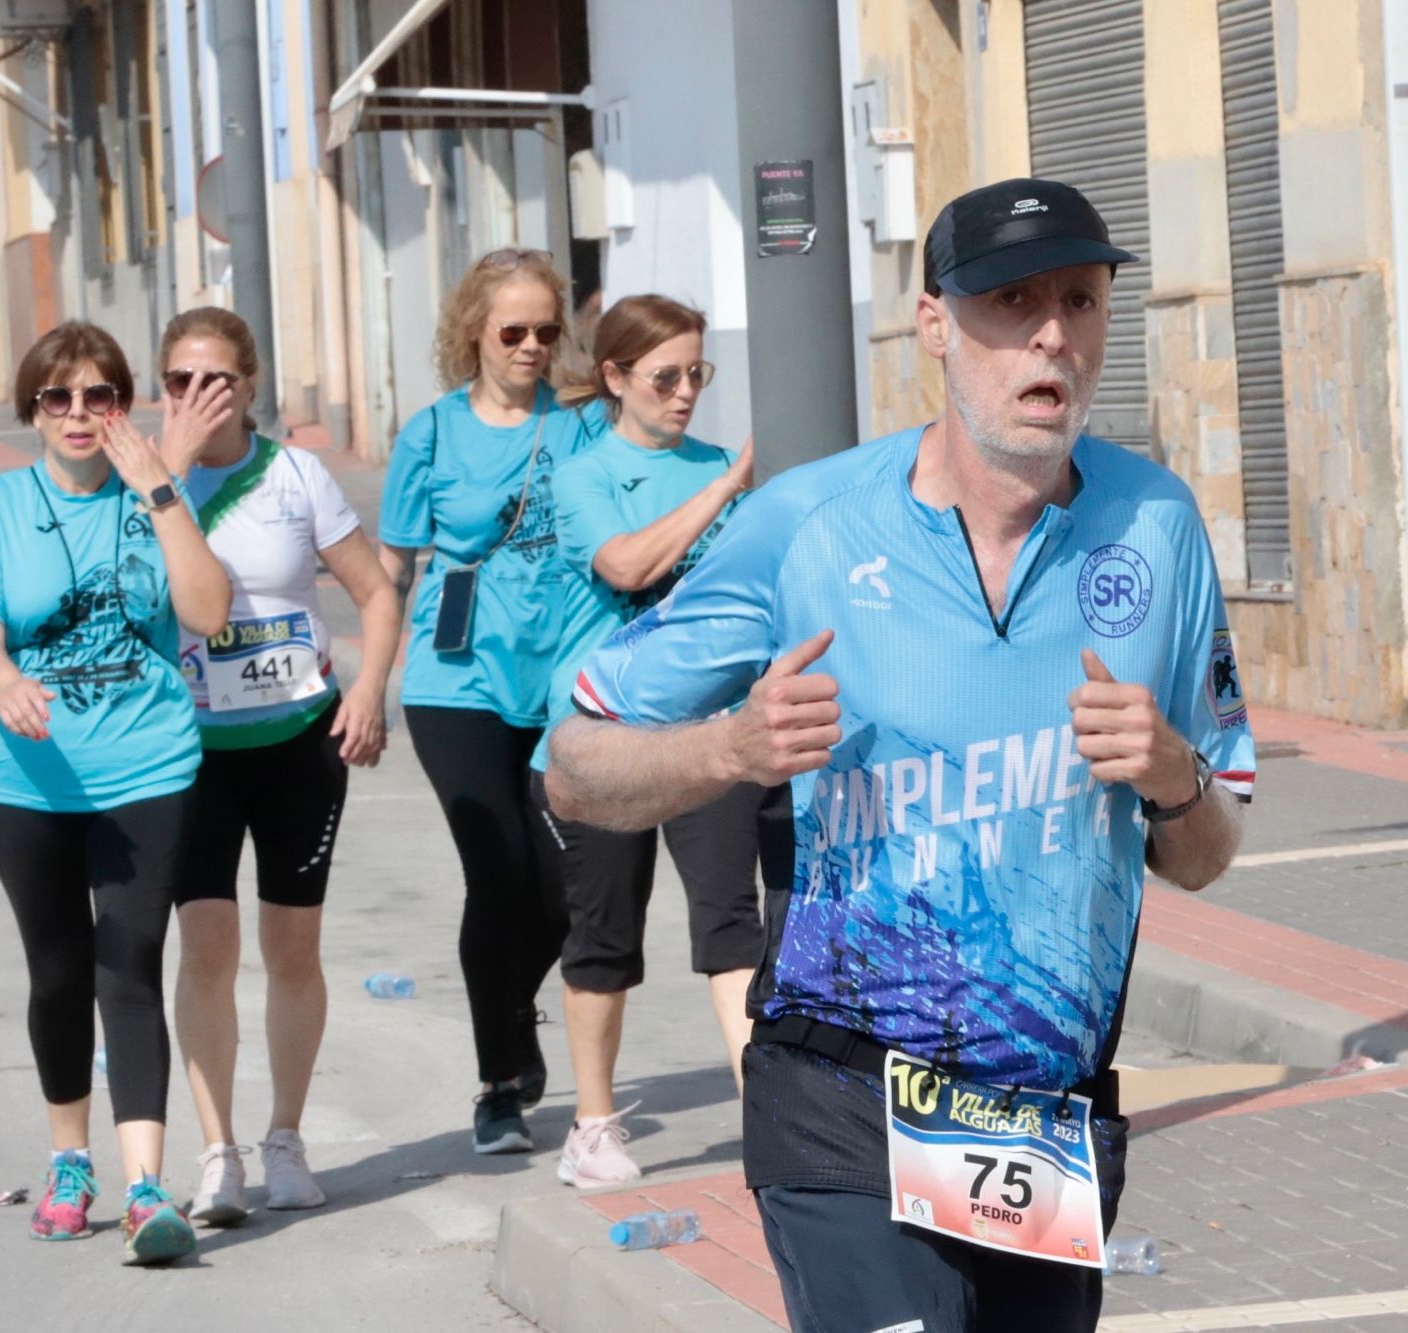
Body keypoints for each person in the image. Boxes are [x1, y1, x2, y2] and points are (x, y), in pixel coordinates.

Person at [545, 179, 1257, 1330]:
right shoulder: (807, 524)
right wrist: (730, 745)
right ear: (933, 323)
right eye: (1008, 302)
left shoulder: (1155, 526)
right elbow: (572, 763)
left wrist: (1172, 775)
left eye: (1078, 300)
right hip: (841, 1091)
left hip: (1037, 1115)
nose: (1050, 334)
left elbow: (1205, 851)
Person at [0, 322, 232, 1266]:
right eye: (58, 398)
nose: (80, 414)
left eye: (100, 396)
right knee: (59, 968)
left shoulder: (154, 494)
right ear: (33, 410)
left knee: (131, 964)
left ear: (123, 403)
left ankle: (148, 1186)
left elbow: (206, 610)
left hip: (145, 767)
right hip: (24, 778)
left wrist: (160, 485)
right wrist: (1, 682)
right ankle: (70, 1159)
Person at [154, 307, 403, 1224]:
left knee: (291, 947)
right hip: (192, 752)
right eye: (180, 380)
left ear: (251, 385)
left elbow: (377, 594)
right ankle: (217, 1152)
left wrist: (370, 690)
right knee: (207, 943)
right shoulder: (143, 483)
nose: (199, 396)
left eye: (217, 379)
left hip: (299, 740)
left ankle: (286, 1137)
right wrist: (165, 473)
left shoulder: (297, 477)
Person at [530, 295, 766, 1188]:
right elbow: (627, 566)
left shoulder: (720, 466)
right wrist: (721, 491)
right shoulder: (585, 473)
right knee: (603, 931)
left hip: (710, 730)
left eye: (697, 374)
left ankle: (766, 1108)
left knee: (731, 919)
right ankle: (592, 1124)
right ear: (616, 378)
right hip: (604, 738)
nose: (684, 393)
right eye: (665, 377)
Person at [378, 249, 602, 1155]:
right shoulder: (430, 434)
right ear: (474, 329)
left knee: (558, 892)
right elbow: (392, 567)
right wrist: (367, 682)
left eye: (548, 331)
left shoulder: (583, 427)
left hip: (558, 682)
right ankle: (499, 1081)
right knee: (497, 865)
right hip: (454, 678)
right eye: (513, 330)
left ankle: (511, 1014)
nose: (532, 347)